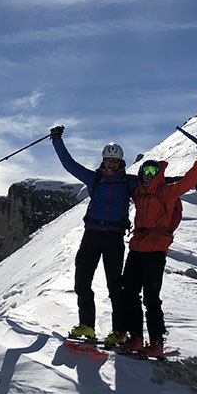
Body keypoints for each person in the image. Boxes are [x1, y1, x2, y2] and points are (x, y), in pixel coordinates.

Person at [118, 140, 197, 357]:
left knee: (150, 297)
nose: (149, 173)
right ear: (140, 173)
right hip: (136, 248)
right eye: (145, 170)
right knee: (129, 293)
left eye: (153, 170)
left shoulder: (167, 191)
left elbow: (191, 180)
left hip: (156, 250)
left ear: (158, 174)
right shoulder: (138, 193)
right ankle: (137, 338)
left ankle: (156, 342)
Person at [50, 125, 137, 343]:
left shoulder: (129, 182)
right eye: (109, 159)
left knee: (115, 286)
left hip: (114, 237)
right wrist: (57, 141)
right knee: (82, 282)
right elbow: (69, 165)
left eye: (115, 161)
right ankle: (87, 326)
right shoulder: (94, 178)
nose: (111, 163)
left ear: (121, 162)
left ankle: (119, 331)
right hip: (91, 235)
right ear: (103, 160)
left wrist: (194, 170)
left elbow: (158, 184)